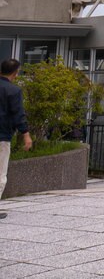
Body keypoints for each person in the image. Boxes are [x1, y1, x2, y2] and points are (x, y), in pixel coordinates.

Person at [1, 59, 33, 219]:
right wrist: (26, 134)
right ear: (16, 72)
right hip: (2, 136)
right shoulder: (13, 91)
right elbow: (18, 114)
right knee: (0, 174)